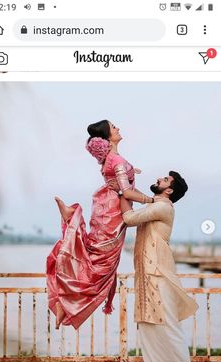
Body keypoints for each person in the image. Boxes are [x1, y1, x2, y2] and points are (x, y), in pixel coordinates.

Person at [47, 119, 155, 330]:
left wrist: (133, 171)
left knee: (94, 256)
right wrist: (153, 201)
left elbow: (118, 178)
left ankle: (65, 303)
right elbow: (127, 192)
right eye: (114, 127)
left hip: (104, 208)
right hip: (113, 212)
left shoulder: (109, 159)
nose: (118, 128)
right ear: (107, 136)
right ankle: (66, 303)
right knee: (100, 266)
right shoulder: (116, 160)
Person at [121, 171, 199, 362]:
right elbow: (136, 197)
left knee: (167, 328)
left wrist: (122, 192)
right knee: (150, 329)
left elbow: (129, 218)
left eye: (164, 180)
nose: (159, 179)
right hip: (147, 274)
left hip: (158, 274)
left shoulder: (163, 208)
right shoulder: (155, 205)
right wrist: (125, 186)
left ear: (169, 190)